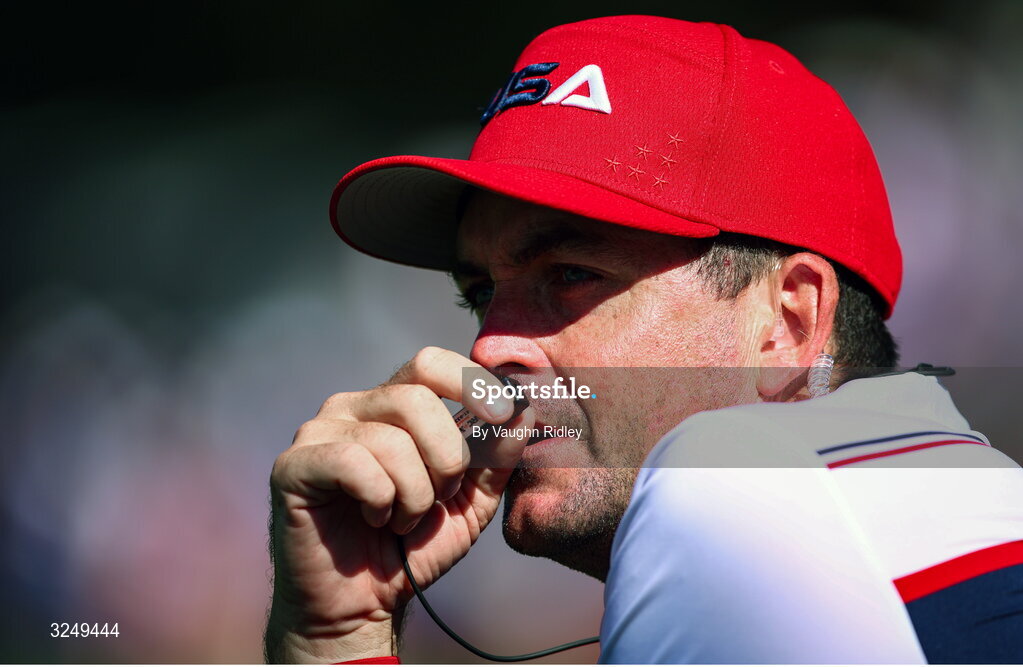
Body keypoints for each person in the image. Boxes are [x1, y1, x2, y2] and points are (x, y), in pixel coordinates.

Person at [265, 15, 1023, 663]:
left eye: (569, 274)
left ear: (789, 321)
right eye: (480, 296)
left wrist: (328, 645)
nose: (492, 348)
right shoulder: (963, 498)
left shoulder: (719, 489)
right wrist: (345, 630)